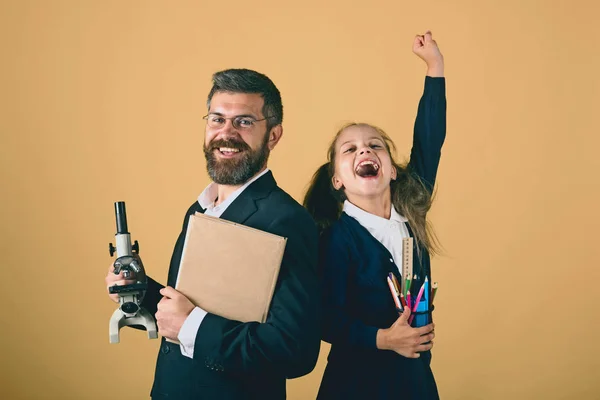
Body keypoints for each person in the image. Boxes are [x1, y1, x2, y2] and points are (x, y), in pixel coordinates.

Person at [105, 69, 321, 400]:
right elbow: (187, 312)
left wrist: (192, 325)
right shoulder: (199, 208)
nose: (226, 133)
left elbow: (294, 351)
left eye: (244, 122)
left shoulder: (288, 221)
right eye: (217, 119)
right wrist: (139, 291)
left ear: (273, 136)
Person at [303, 31, 446, 399]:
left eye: (374, 145)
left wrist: (435, 67)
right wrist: (383, 338)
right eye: (349, 149)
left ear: (392, 169)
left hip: (415, 383)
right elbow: (324, 317)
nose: (364, 151)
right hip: (356, 385)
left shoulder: (410, 210)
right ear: (337, 178)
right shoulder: (337, 239)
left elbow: (429, 139)